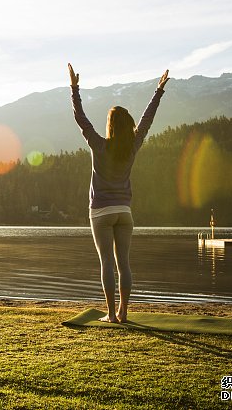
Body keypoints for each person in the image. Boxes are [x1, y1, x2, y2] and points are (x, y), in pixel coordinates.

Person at [68, 63, 169, 323]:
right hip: (124, 212)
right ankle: (124, 312)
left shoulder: (99, 146)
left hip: (100, 212)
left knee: (107, 264)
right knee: (123, 263)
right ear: (128, 127)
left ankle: (111, 314)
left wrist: (74, 88)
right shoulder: (132, 147)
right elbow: (147, 121)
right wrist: (158, 92)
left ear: (110, 125)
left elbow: (81, 119)